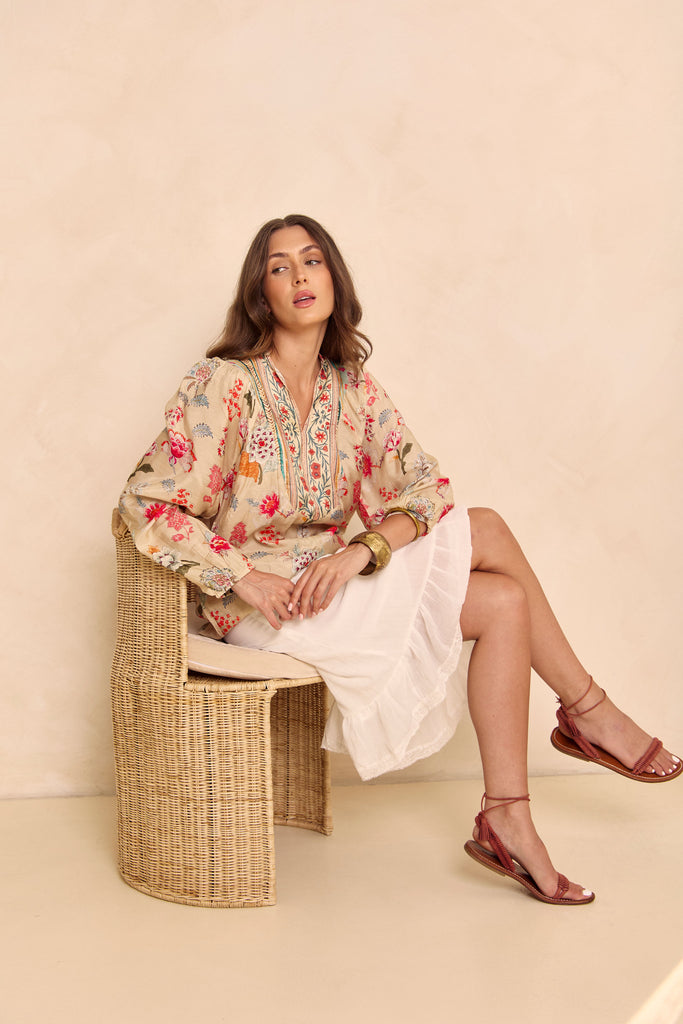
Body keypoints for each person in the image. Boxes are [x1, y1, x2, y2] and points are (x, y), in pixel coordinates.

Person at [119, 214, 681, 907]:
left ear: (334, 278)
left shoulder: (351, 387)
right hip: (265, 607)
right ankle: (589, 711)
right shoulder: (224, 383)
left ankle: (507, 817)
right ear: (260, 295)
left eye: (312, 260)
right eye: (278, 267)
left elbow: (426, 488)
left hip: (331, 586)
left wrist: (363, 549)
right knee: (489, 531)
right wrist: (244, 576)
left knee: (504, 600)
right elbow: (144, 501)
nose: (299, 276)